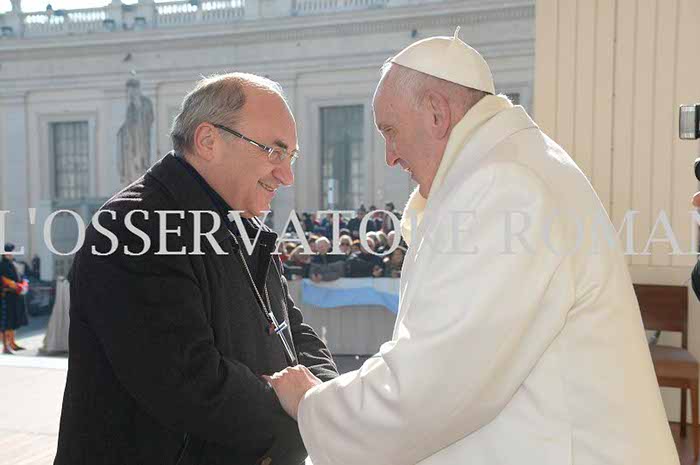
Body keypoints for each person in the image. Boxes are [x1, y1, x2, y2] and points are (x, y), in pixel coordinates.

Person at [265, 30, 680, 465]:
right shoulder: (515, 163)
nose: (390, 156)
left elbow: (433, 385)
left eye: (391, 131)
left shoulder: (503, 185)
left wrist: (311, 403)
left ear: (437, 114)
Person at [54, 73, 338, 465]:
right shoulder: (134, 227)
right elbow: (189, 384)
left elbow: (293, 331)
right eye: (273, 152)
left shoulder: (242, 222)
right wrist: (309, 415)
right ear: (208, 140)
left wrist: (324, 399)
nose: (286, 175)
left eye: (291, 157)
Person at [0, 243, 29, 354]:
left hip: (14, 297)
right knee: (5, 322)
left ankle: (12, 343)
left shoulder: (14, 263)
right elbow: (5, 280)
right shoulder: (2, 265)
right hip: (5, 297)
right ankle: (6, 346)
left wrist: (24, 284)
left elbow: (22, 276)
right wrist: (17, 286)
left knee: (12, 322)